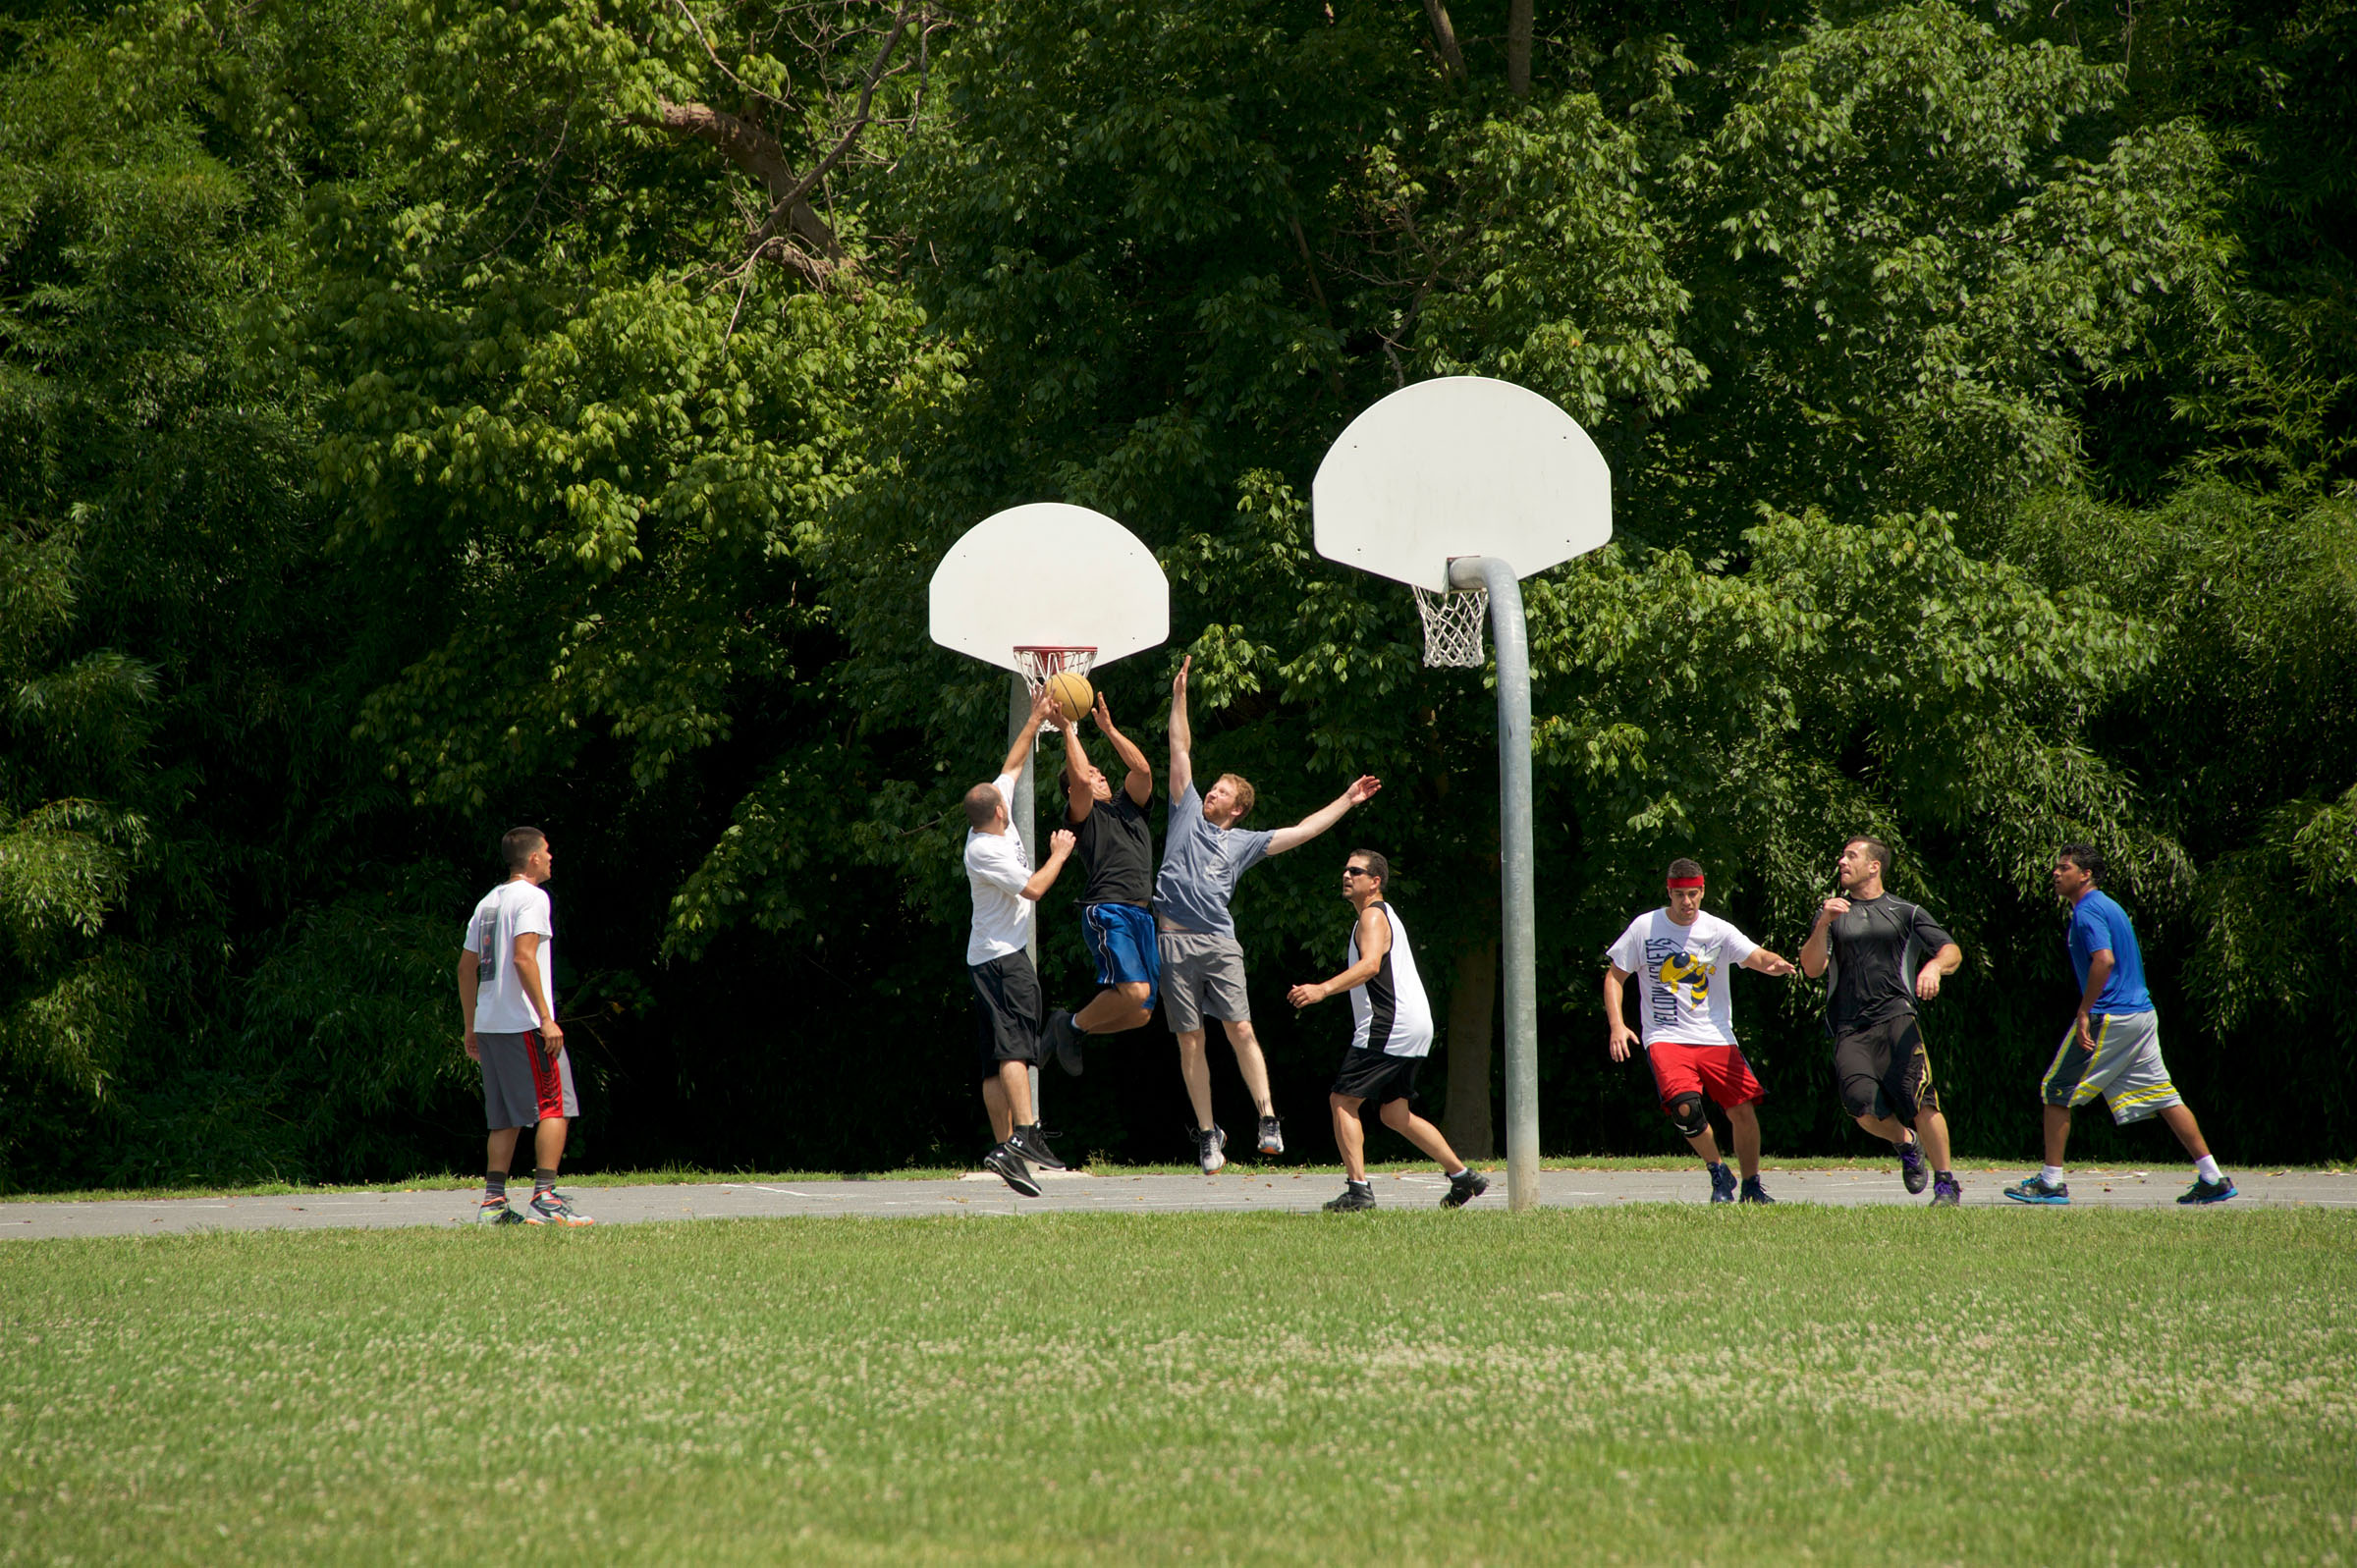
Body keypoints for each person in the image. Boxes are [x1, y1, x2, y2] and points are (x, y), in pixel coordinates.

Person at [1155, 654, 1381, 1172]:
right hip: (1172, 942)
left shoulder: (1246, 842)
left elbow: (1302, 831)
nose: (1211, 791)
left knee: (1240, 1030)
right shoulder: (1184, 810)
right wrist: (1180, 696)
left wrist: (1347, 799)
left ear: (1237, 808)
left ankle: (1267, 1118)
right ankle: (1209, 1135)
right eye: (1212, 787)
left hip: (1218, 942)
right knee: (1190, 1040)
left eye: (1222, 791)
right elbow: (1180, 747)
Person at [2004, 844, 2236, 1206]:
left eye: (2064, 867)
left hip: (2111, 1015)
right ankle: (2213, 1177)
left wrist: (2085, 1011)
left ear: (2086, 875)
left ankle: (2050, 1182)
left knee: (2056, 1089)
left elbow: (2104, 960)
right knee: (2163, 1095)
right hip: (2141, 1014)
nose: (2056, 873)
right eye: (2056, 867)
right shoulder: (2108, 906)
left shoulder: (2088, 911)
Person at [1288, 850, 1488, 1212]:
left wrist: (1322, 989)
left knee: (1343, 1101)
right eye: (1345, 869)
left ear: (1375, 881)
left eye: (1356, 871)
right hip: (1413, 1025)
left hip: (1390, 1023)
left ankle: (1358, 1192)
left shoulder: (1372, 916)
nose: (1346, 875)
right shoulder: (1382, 915)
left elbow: (1370, 966)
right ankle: (1463, 1177)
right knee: (1395, 1114)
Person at [1605, 858, 1799, 1204]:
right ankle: (1718, 1171)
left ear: (1703, 891)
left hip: (1715, 1037)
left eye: (1693, 894)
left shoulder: (1717, 930)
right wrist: (1617, 1025)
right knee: (1685, 1108)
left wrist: (1774, 963)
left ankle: (1752, 1186)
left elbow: (1755, 956)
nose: (1687, 902)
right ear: (1669, 892)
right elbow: (1614, 976)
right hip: (1665, 1037)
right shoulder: (1645, 927)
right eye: (1680, 895)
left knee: (1742, 1110)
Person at [1798, 836, 1967, 1206]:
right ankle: (1906, 1143)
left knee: (1922, 1100)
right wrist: (1823, 923)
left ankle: (1946, 1184)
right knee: (1861, 1108)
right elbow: (1811, 968)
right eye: (1842, 855)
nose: (1842, 861)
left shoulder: (1906, 912)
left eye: (1851, 856)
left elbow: (1950, 950)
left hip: (1897, 1020)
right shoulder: (1832, 913)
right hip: (1849, 1027)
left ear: (1874, 866)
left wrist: (1934, 968)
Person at [963, 684, 1080, 1195]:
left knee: (995, 1058)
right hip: (1002, 959)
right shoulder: (984, 852)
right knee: (1014, 1048)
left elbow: (1011, 766)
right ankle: (1025, 1136)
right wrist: (1059, 853)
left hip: (986, 957)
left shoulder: (994, 805)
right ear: (998, 815)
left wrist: (1035, 718)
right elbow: (1033, 889)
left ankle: (1006, 1152)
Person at [457, 827, 591, 1226]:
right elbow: (523, 957)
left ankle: (493, 1205)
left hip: (490, 1024)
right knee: (556, 1105)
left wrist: (470, 1026)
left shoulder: (488, 902)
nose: (551, 858)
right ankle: (545, 1198)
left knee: (504, 1117)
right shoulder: (533, 898)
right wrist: (546, 1019)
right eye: (546, 851)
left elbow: (465, 968)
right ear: (533, 858)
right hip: (524, 1023)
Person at [1039, 694, 1161, 1068]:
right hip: (1108, 908)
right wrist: (1067, 729)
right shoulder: (1083, 815)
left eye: (1099, 772)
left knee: (1141, 1013)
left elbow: (1142, 771)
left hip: (1142, 915)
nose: (1101, 775)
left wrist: (1108, 729)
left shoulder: (1130, 806)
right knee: (1135, 991)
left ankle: (1071, 1026)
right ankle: (1071, 1026)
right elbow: (1078, 780)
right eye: (1094, 773)